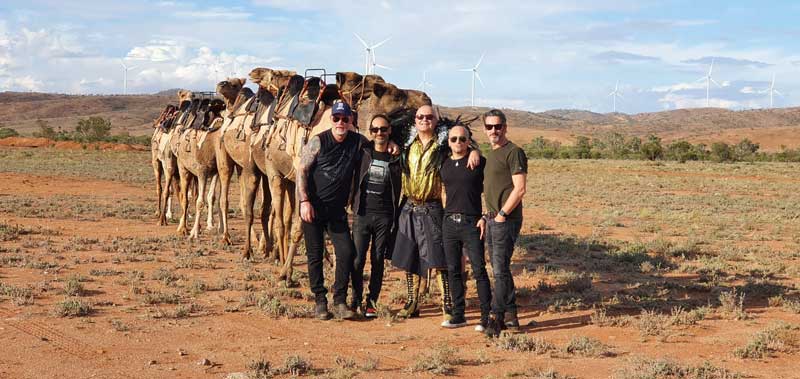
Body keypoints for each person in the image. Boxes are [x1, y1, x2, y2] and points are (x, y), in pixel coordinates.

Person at [391, 105, 480, 323]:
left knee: (440, 259)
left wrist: (476, 151)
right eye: (420, 117)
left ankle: (447, 304)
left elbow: (464, 147)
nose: (424, 120)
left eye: (429, 117)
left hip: (432, 208)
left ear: (436, 120)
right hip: (409, 207)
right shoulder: (405, 144)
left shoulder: (444, 146)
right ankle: (412, 302)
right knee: (410, 258)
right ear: (415, 120)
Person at [297, 101, 363, 321]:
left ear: (351, 120)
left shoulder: (357, 142)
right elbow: (302, 170)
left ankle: (340, 300)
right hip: (313, 208)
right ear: (331, 119)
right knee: (315, 255)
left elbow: (378, 147)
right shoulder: (319, 141)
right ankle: (320, 301)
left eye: (345, 119)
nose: (341, 123)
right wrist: (304, 201)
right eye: (337, 118)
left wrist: (391, 144)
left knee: (346, 253)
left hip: (337, 211)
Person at [480, 109, 528, 337]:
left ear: (505, 127)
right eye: (489, 127)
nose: (494, 131)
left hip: (504, 219)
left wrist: (501, 214)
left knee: (499, 270)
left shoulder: (514, 152)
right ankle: (512, 316)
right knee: (500, 268)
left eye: (497, 126)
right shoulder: (491, 154)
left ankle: (495, 317)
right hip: (491, 217)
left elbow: (520, 189)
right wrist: (487, 215)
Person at [440, 124, 492, 329]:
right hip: (449, 223)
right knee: (453, 270)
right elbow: (444, 191)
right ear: (448, 142)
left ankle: (486, 316)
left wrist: (486, 216)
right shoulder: (443, 163)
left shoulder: (479, 162)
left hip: (472, 222)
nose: (458, 143)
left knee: (479, 269)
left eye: (462, 139)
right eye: (454, 139)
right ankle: (458, 314)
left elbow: (491, 191)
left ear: (469, 141)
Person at [350, 114, 402, 317]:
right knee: (357, 259)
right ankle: (354, 299)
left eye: (383, 129)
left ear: (389, 130)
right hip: (362, 213)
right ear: (370, 132)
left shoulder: (397, 156)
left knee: (378, 259)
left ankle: (371, 302)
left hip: (385, 216)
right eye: (375, 130)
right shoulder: (362, 152)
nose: (379, 133)